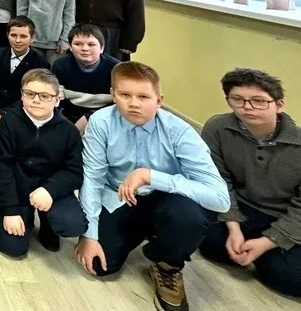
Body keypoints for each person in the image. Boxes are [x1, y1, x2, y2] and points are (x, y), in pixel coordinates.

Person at [76, 62, 229, 311]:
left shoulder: (180, 132)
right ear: (112, 94)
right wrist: (89, 234)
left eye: (143, 97)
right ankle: (143, 230)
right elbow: (92, 178)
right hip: (119, 196)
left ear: (159, 100)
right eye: (125, 95)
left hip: (167, 199)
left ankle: (167, 263)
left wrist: (151, 177)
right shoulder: (101, 122)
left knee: (189, 216)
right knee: (99, 266)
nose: (133, 103)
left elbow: (220, 199)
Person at [198, 68, 301, 298]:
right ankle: (265, 246)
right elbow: (217, 179)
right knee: (209, 245)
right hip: (244, 206)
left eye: (259, 101)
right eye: (237, 99)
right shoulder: (217, 128)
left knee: (297, 283)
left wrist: (267, 242)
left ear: (279, 104)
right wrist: (233, 226)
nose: (247, 107)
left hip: (289, 214)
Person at [0, 69, 85, 256]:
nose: (36, 100)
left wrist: (50, 190)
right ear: (22, 95)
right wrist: (10, 211)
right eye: (29, 94)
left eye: (44, 96)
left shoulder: (69, 131)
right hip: (17, 189)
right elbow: (2, 167)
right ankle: (23, 215)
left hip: (50, 190)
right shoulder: (8, 122)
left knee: (72, 224)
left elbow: (74, 172)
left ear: (57, 100)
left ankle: (48, 224)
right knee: (13, 247)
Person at [52, 24, 120, 128]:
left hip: (105, 117)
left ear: (102, 48)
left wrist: (89, 117)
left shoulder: (116, 69)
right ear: (70, 47)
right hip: (68, 116)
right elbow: (56, 100)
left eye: (91, 44)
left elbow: (119, 103)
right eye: (78, 44)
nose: (85, 48)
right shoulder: (60, 65)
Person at [0, 16, 50, 108]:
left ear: (32, 38)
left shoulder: (40, 63)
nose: (17, 40)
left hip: (21, 108)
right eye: (13, 35)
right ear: (7, 35)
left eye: (23, 36)